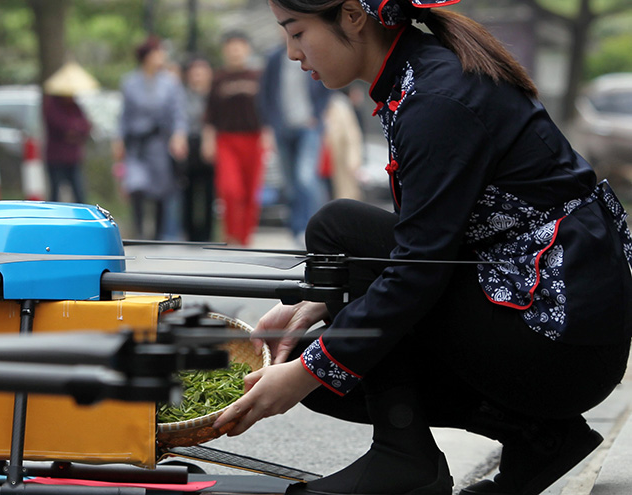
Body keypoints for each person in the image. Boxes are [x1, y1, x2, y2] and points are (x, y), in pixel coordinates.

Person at [212, 2, 632, 495]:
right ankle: (540, 438)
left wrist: (305, 374)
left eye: (297, 31)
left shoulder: (436, 97)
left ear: (352, 15)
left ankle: (403, 457)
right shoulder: (417, 79)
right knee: (320, 352)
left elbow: (417, 271)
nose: (291, 52)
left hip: (560, 342)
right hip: (554, 332)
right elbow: (423, 243)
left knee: (337, 234)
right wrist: (323, 305)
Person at [115, 37, 188, 239]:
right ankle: (138, 230)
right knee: (136, 185)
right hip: (136, 144)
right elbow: (124, 115)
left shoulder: (170, 82)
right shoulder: (130, 82)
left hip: (159, 143)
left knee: (161, 189)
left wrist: (179, 135)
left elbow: (178, 113)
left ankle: (157, 234)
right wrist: (119, 138)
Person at [261, 39, 332, 245]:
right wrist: (270, 122)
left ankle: (312, 227)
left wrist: (317, 115)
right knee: (290, 184)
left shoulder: (312, 51)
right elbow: (266, 92)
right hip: (282, 127)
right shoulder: (274, 58)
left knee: (305, 177)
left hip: (308, 126)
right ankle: (296, 229)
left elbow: (326, 86)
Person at [203, 31, 265, 246]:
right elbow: (210, 113)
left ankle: (245, 236)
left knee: (250, 190)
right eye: (231, 46)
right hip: (226, 140)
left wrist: (269, 134)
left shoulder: (257, 77)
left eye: (240, 46)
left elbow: (267, 110)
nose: (236, 51)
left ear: (247, 49)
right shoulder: (218, 79)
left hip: (254, 139)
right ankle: (231, 233)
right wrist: (208, 139)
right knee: (230, 189)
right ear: (225, 50)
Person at [42, 62, 97, 204]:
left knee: (79, 194)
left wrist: (76, 131)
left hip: (73, 157)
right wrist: (73, 130)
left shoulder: (75, 106)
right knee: (55, 194)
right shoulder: (51, 106)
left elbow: (86, 125)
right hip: (56, 157)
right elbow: (62, 126)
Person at [181, 56, 216, 242]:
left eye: (201, 72)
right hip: (189, 144)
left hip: (210, 145)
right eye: (194, 72)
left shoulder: (215, 95)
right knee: (188, 190)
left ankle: (208, 234)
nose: (198, 76)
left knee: (210, 191)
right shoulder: (182, 96)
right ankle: (190, 233)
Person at [321, 88, 363, 200]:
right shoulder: (315, 103)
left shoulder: (340, 105)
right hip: (321, 161)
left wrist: (354, 160)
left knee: (344, 194)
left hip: (339, 160)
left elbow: (352, 136)